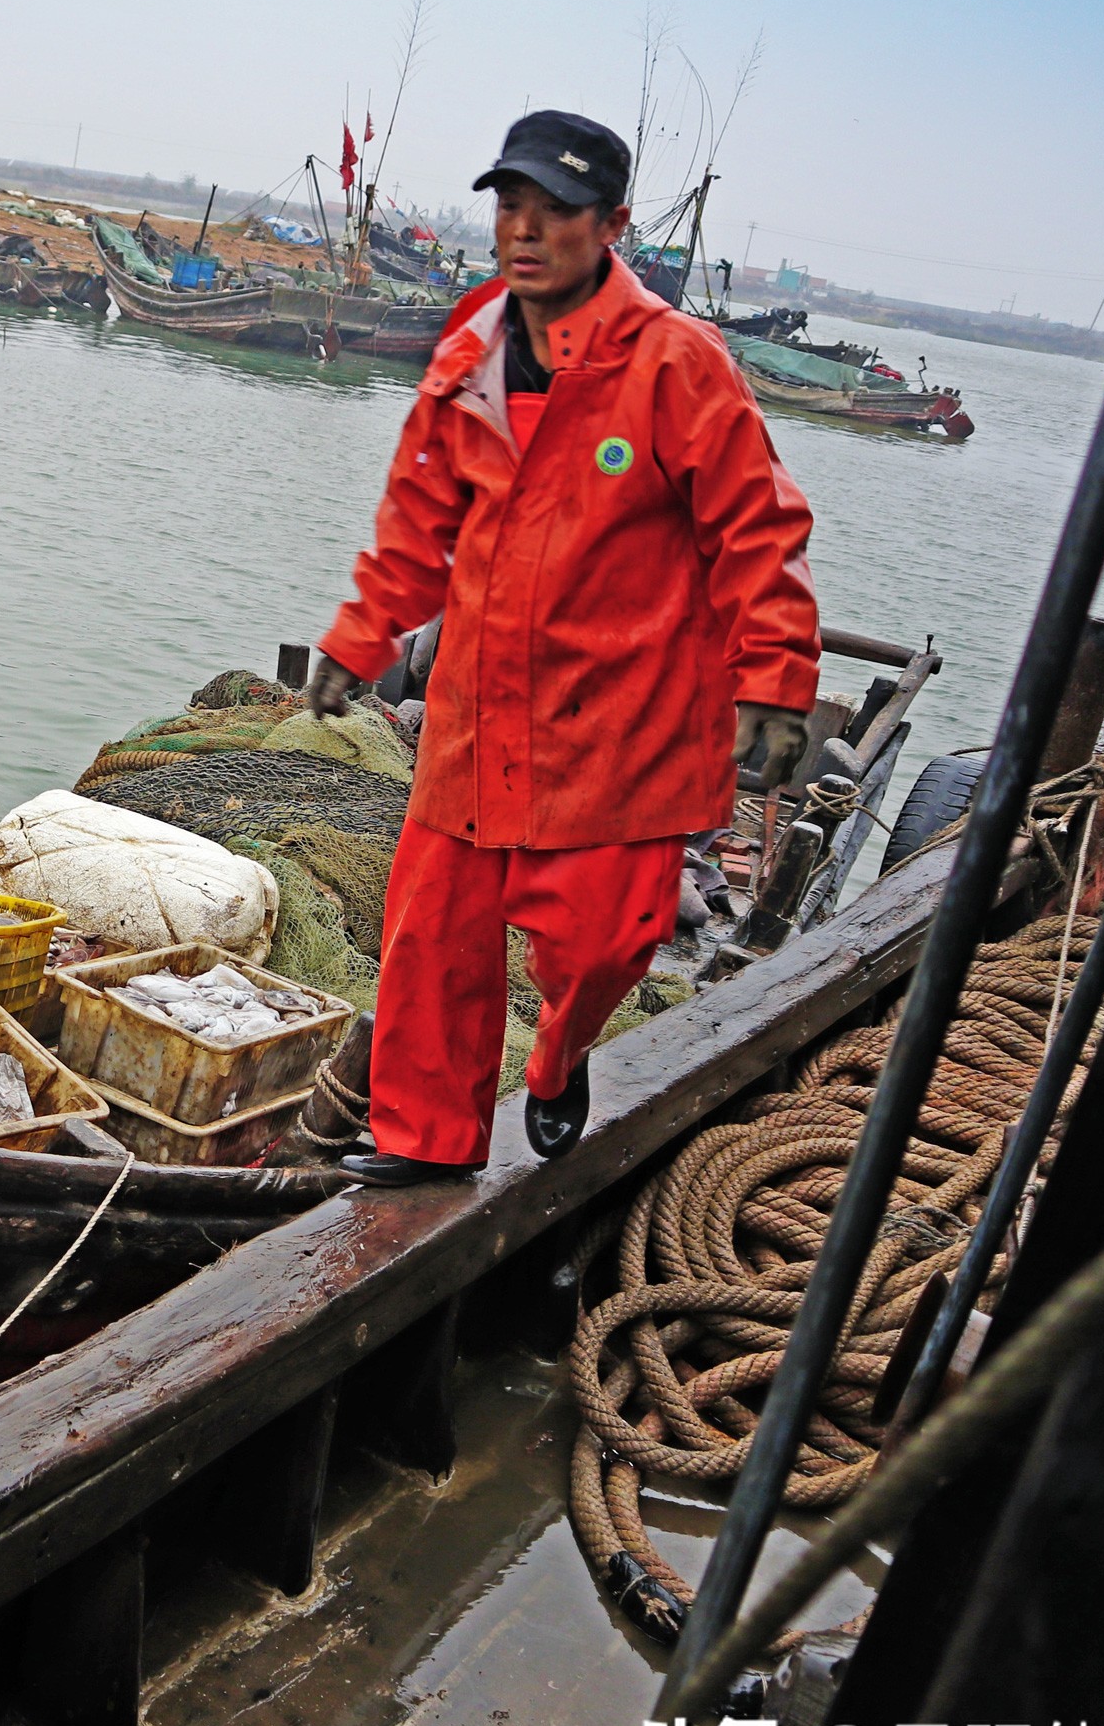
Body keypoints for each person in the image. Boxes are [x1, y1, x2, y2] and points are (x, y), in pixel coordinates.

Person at [305, 108, 820, 1186]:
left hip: (618, 723)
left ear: (614, 224)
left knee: (598, 945)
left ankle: (559, 1054)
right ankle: (422, 1137)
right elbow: (417, 520)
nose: (527, 232)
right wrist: (360, 636)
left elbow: (758, 527)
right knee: (431, 937)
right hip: (477, 711)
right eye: (512, 208)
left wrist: (775, 680)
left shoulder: (680, 363)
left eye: (558, 211)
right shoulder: (470, 351)